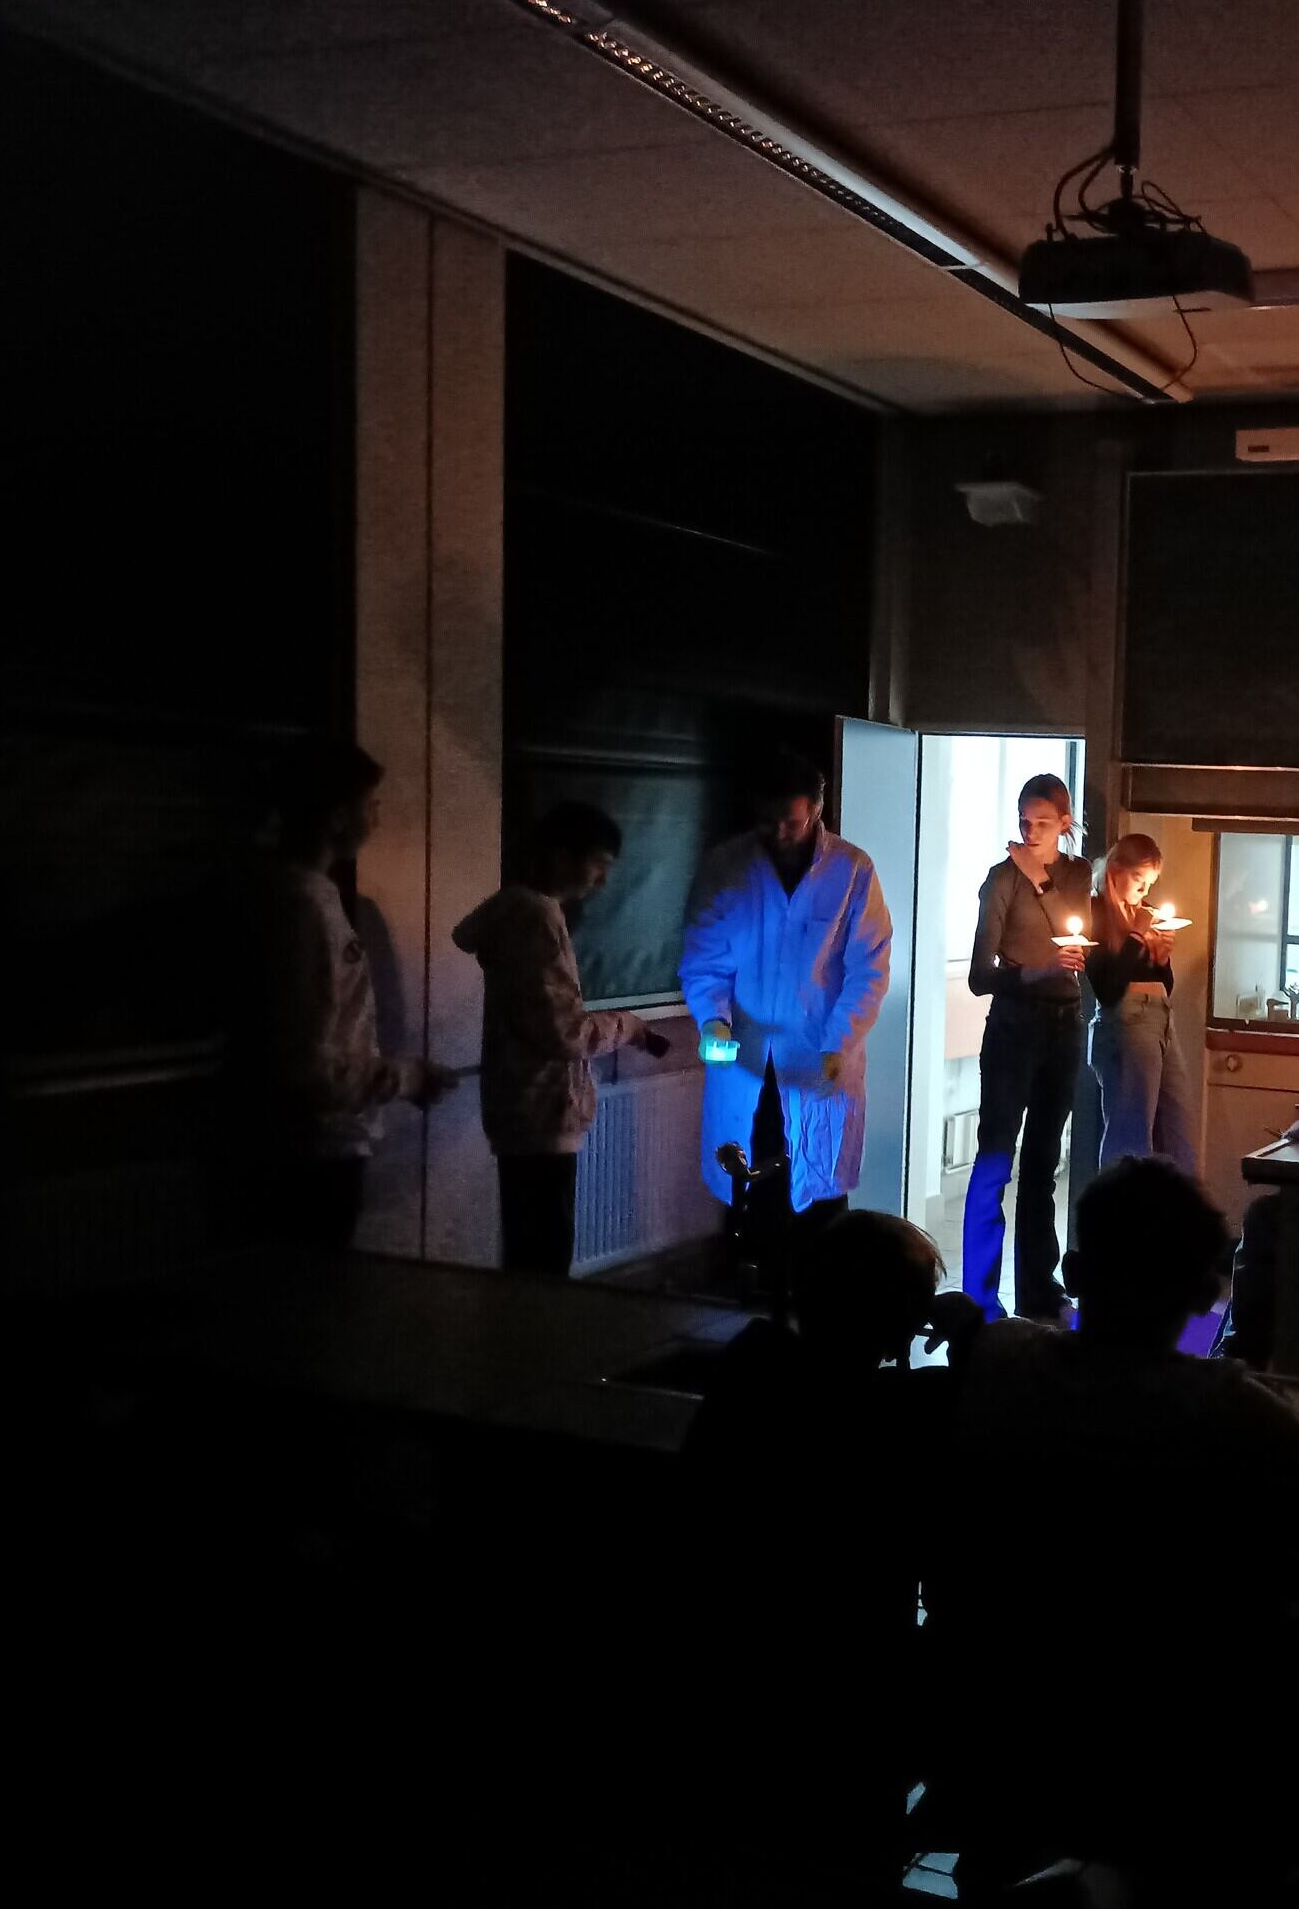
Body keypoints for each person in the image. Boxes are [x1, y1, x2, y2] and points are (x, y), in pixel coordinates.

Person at [926, 1159, 1299, 1891]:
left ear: (1075, 1270)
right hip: (1182, 1766)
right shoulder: (1230, 1410)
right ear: (1201, 1293)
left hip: (1008, 1735)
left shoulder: (1000, 1363)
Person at [678, 1211, 956, 1890]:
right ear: (897, 1325)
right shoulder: (890, 1420)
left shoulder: (753, 1368)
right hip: (847, 1718)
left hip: (736, 1697)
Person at [680, 750, 892, 1277]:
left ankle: (818, 1300)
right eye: (768, 819)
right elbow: (704, 959)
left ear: (816, 811)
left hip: (819, 1059)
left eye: (791, 822)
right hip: (747, 1057)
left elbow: (869, 968)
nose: (778, 832)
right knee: (749, 1184)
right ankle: (753, 1296)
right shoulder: (727, 866)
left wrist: (838, 1041)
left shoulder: (851, 869)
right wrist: (713, 1019)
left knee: (819, 1198)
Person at [250, 739, 453, 1255]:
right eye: (370, 805)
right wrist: (404, 1078)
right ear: (339, 817)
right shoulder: (303, 906)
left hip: (306, 1142)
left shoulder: (295, 896)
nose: (376, 817)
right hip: (314, 1148)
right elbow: (309, 1065)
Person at [450, 801, 655, 1277]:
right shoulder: (536, 916)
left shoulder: (522, 912)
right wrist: (628, 1026)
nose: (602, 881)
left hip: (523, 1109)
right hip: (542, 1113)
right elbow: (563, 1030)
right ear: (562, 857)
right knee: (543, 1263)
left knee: (529, 1252)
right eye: (598, 864)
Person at [964, 772, 1094, 1321]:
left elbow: (1076, 930)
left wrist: (1038, 879)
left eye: (1043, 822)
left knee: (1043, 1161)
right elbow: (979, 975)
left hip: (1065, 1025)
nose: (1031, 831)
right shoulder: (1001, 880)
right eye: (1024, 821)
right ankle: (978, 1293)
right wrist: (1036, 971)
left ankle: (1039, 1289)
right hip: (1014, 1027)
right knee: (996, 1155)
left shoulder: (1077, 873)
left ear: (1065, 823)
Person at [1086, 832, 1198, 1176]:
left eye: (1150, 882)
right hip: (1128, 1020)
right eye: (1138, 878)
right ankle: (1120, 1204)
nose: (1144, 890)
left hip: (1161, 1018)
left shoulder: (1143, 913)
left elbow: (1165, 985)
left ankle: (1178, 1204)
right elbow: (1108, 988)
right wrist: (1135, 935)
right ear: (1115, 870)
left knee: (1179, 1128)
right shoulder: (1095, 911)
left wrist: (1161, 959)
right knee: (1131, 1134)